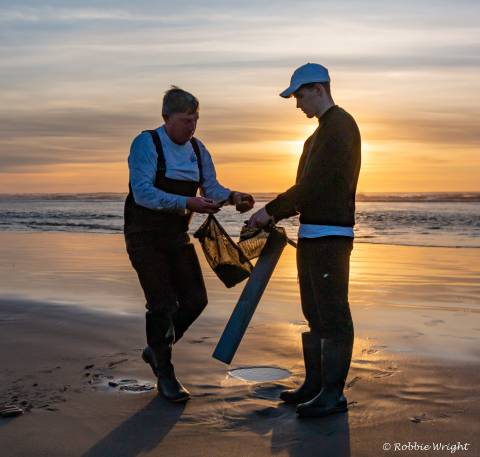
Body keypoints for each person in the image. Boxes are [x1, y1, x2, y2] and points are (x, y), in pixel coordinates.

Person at [124, 86, 254, 403]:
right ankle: (165, 373)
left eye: (195, 120)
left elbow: (211, 187)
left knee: (196, 300)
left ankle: (156, 350)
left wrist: (234, 196)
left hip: (176, 235)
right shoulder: (147, 143)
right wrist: (187, 202)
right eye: (185, 120)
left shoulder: (198, 149)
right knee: (162, 305)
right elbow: (143, 194)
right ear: (166, 118)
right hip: (144, 235)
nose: (191, 127)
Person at [248, 63, 361, 418]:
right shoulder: (314, 137)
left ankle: (333, 394)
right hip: (311, 234)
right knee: (313, 312)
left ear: (317, 88)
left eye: (299, 95)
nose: (297, 104)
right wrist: (278, 213)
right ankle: (314, 384)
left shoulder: (341, 126)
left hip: (332, 236)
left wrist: (270, 211)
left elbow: (313, 185)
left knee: (334, 315)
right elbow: (305, 191)